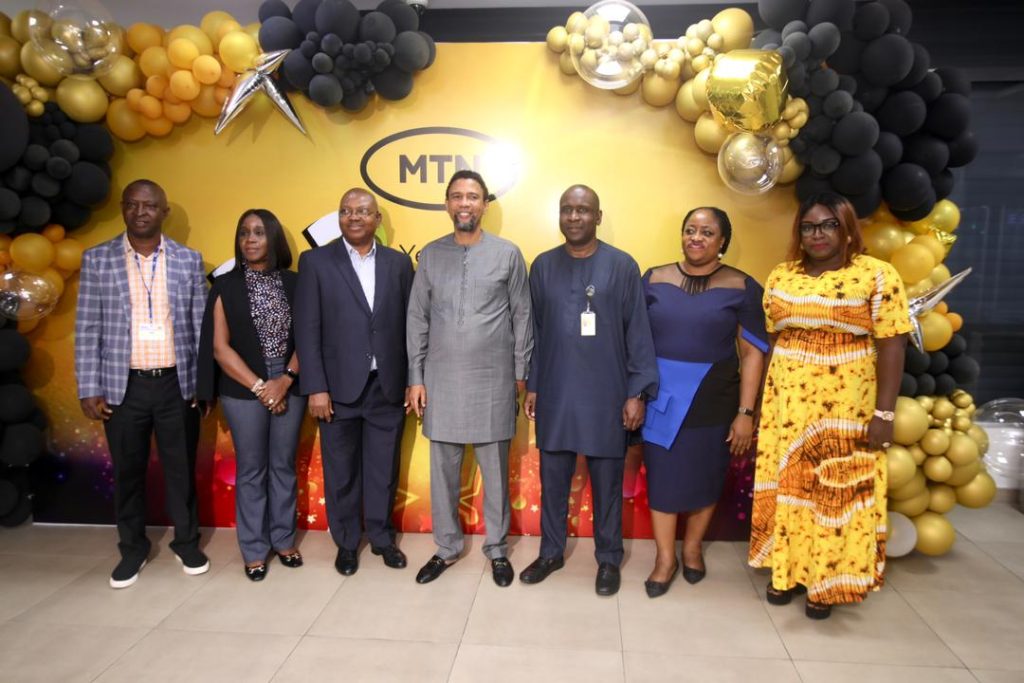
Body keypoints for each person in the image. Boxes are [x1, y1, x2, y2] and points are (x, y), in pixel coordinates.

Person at [748, 192, 910, 619]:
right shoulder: (782, 275)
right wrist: (766, 403)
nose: (817, 234)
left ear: (846, 228)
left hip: (846, 409)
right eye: (808, 226)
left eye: (827, 225)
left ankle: (826, 582)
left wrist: (885, 414)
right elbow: (773, 340)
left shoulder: (876, 275)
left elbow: (892, 346)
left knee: (834, 494)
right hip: (788, 405)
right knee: (792, 490)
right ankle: (786, 572)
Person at [521, 184, 658, 597]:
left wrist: (637, 391)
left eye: (583, 210)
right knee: (553, 479)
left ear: (598, 217)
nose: (575, 217)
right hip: (557, 392)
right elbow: (537, 334)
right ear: (559, 216)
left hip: (608, 393)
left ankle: (609, 559)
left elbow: (638, 331)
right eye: (567, 209)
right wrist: (534, 385)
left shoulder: (622, 266)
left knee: (607, 483)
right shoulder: (543, 266)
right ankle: (550, 553)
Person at [75, 179, 210, 588]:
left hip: (176, 383)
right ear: (122, 209)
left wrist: (204, 386)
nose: (140, 212)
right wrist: (88, 386)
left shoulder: (188, 260)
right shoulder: (97, 259)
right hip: (123, 387)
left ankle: (186, 543)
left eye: (149, 205)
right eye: (132, 205)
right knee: (128, 472)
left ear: (163, 212)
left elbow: (201, 327)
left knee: (181, 469)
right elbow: (87, 327)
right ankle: (132, 549)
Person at [406, 170, 532, 588]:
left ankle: (496, 549)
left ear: (484, 205)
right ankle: (446, 548)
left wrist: (520, 374)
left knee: (494, 470)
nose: (465, 204)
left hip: (494, 380)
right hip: (440, 380)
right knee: (443, 469)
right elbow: (417, 319)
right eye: (457, 196)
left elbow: (522, 316)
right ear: (447, 204)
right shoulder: (431, 255)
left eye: (473, 197)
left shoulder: (507, 254)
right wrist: (415, 376)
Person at [640, 207, 767, 598]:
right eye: (690, 230)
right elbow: (635, 343)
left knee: (706, 477)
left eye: (707, 232)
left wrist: (746, 413)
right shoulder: (652, 278)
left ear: (722, 241)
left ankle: (692, 548)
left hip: (715, 398)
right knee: (662, 478)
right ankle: (665, 558)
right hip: (660, 398)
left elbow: (752, 354)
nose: (697, 237)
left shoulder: (743, 286)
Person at [294, 188, 414, 576]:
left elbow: (410, 330)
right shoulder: (315, 261)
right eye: (346, 211)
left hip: (387, 385)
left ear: (377, 219)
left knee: (383, 469)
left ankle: (380, 538)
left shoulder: (398, 264)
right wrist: (315, 386)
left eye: (363, 211)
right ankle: (346, 543)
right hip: (336, 389)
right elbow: (307, 329)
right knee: (341, 470)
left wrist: (412, 381)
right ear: (339, 218)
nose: (354, 217)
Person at [197, 209, 306, 581]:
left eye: (259, 232)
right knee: (251, 469)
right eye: (244, 233)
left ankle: (284, 540)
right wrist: (261, 387)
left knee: (282, 465)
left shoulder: (295, 283)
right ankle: (255, 549)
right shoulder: (225, 287)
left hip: (290, 379)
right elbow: (220, 348)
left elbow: (310, 337)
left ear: (273, 238)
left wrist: (285, 380)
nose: (251, 239)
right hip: (242, 386)